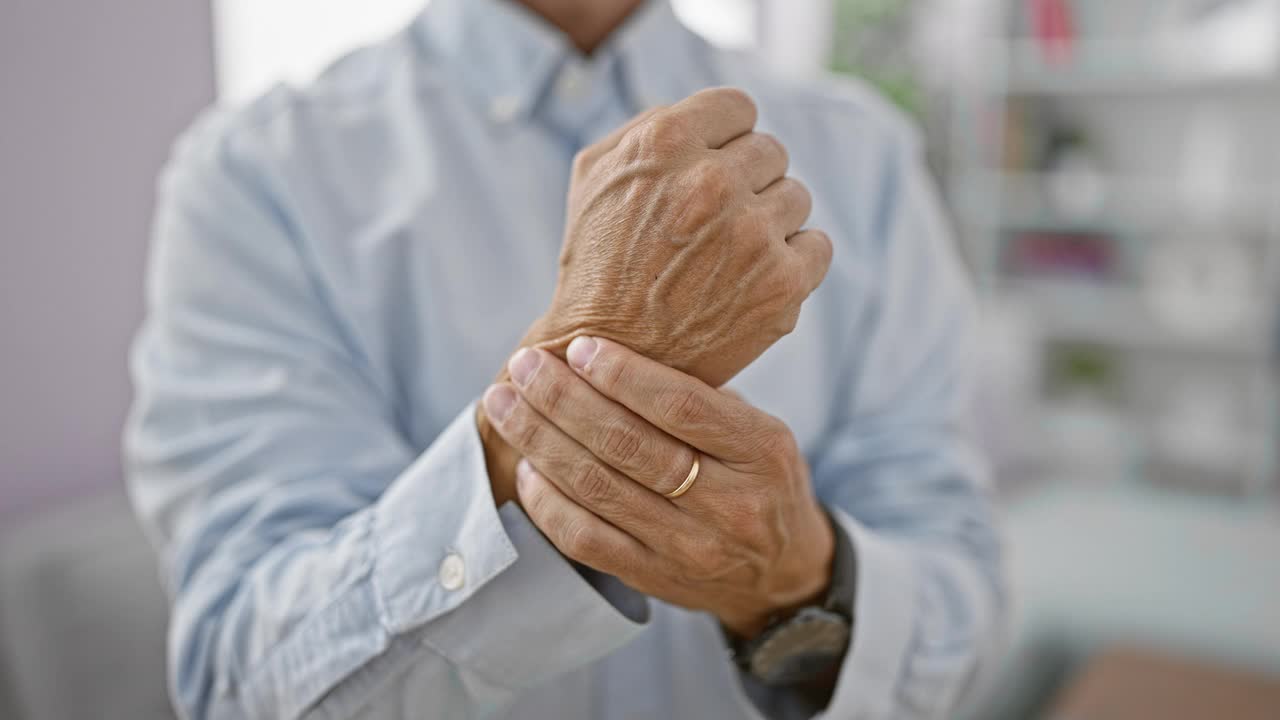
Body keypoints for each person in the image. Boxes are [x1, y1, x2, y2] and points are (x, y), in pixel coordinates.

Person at [125, 0, 1005, 717]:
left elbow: (959, 614)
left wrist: (794, 588)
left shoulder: (867, 152)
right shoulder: (252, 175)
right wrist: (603, 352)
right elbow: (239, 682)